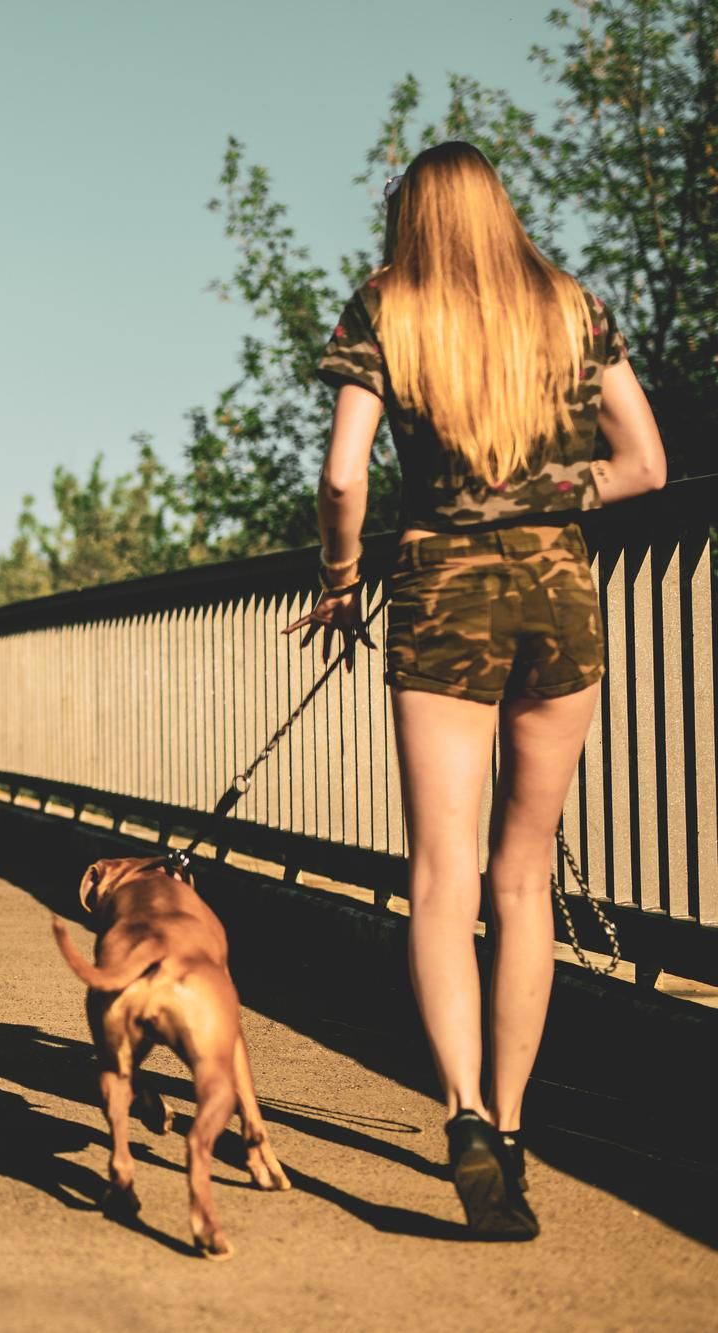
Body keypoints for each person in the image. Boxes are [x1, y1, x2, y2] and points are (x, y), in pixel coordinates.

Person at [294, 142, 666, 1237]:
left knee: (440, 871)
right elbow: (643, 463)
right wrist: (548, 486)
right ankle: (509, 1126)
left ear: (411, 215)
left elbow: (339, 475)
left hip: (439, 591)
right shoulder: (570, 308)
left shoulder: (386, 308)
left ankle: (458, 1112)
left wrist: (338, 578)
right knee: (521, 875)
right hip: (558, 591)